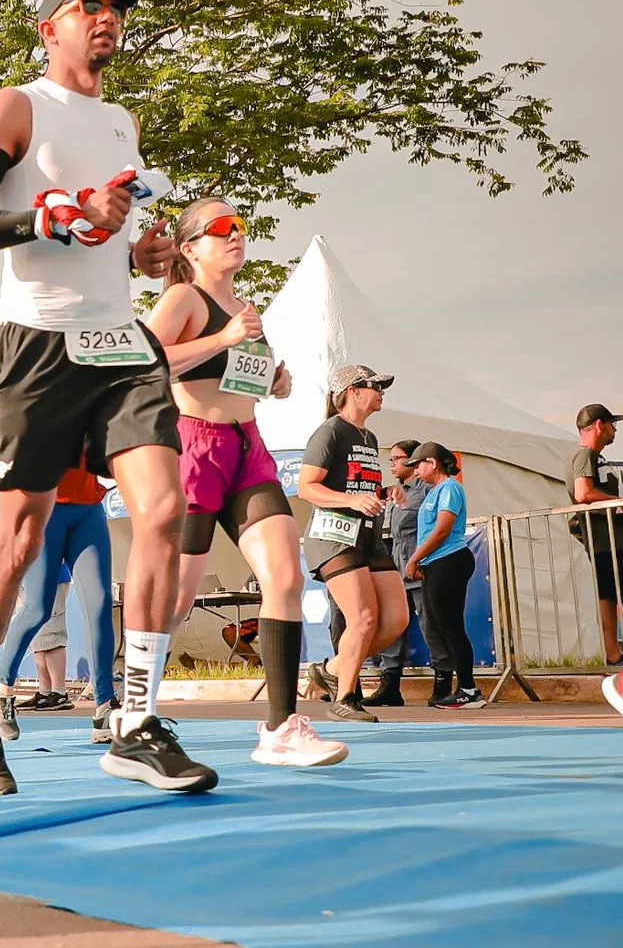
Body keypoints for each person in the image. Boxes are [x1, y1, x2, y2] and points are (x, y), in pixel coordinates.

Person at [0, 0, 211, 797]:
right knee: (18, 540)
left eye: (115, 8)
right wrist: (45, 213)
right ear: (49, 26)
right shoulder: (16, 106)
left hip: (118, 342)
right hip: (38, 346)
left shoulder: (121, 122)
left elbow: (109, 230)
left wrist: (144, 254)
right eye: (89, 7)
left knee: (163, 509)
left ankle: (134, 722)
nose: (107, 19)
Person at [145, 198, 345, 767]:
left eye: (240, 226)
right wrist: (222, 339)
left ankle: (282, 726)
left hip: (247, 448)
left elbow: (239, 377)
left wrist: (272, 383)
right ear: (189, 247)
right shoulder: (184, 298)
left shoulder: (247, 307)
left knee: (284, 573)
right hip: (194, 449)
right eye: (220, 229)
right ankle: (132, 709)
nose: (236, 235)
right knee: (177, 599)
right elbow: (143, 359)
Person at [297, 366, 411, 722]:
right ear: (353, 391)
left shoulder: (369, 437)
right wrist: (352, 500)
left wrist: (383, 491)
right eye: (375, 386)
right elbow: (307, 488)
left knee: (395, 620)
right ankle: (345, 697)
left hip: (367, 536)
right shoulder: (331, 431)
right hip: (334, 537)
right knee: (362, 618)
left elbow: (356, 487)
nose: (381, 392)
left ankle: (330, 667)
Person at [0, 454, 115, 740]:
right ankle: (2, 689)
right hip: (43, 508)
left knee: (100, 604)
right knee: (38, 608)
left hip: (88, 508)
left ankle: (105, 707)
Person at [403, 443, 485, 709]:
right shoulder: (433, 491)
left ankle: (469, 688)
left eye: (418, 465)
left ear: (433, 462)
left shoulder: (450, 488)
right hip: (436, 562)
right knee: (441, 626)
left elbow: (441, 531)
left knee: (451, 626)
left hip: (449, 559)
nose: (415, 471)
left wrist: (414, 558)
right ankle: (462, 687)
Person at [368, 441, 434, 707]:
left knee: (432, 626)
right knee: (392, 626)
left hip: (421, 569)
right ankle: (390, 684)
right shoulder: (396, 494)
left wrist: (418, 560)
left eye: (398, 458)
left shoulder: (429, 491)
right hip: (396, 569)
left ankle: (444, 681)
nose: (392, 463)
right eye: (391, 459)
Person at [568, 405, 623, 677]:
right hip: (607, 541)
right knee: (610, 594)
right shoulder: (584, 455)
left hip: (610, 540)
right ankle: (613, 653)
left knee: (609, 595)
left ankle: (614, 653)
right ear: (599, 425)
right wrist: (619, 502)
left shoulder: (594, 458)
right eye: (613, 425)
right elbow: (583, 493)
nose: (615, 430)